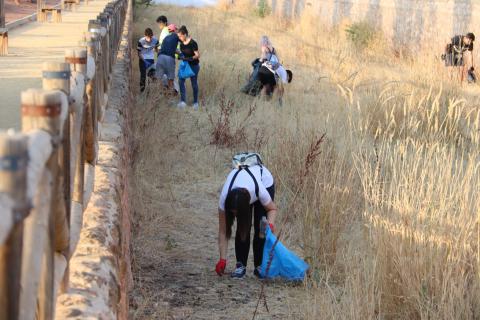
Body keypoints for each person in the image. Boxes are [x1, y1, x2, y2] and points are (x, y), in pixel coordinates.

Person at [216, 159, 277, 279]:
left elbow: (272, 209)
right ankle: (240, 266)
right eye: (233, 213)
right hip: (244, 193)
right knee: (243, 226)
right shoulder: (224, 199)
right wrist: (222, 259)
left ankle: (259, 266)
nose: (235, 215)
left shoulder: (258, 189)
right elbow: (223, 231)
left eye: (238, 213)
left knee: (261, 225)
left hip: (264, 182)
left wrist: (270, 225)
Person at [177, 25, 201, 110]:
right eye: (178, 36)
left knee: (194, 83)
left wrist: (189, 58)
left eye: (180, 36)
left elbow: (198, 55)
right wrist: (180, 56)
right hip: (185, 65)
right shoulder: (181, 44)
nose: (179, 38)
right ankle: (183, 101)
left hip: (194, 66)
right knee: (180, 80)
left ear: (184, 34)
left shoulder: (193, 43)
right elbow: (182, 53)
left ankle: (195, 103)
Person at [156, 24, 179, 94]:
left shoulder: (166, 38)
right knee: (170, 79)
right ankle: (170, 98)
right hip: (169, 58)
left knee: (159, 79)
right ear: (174, 30)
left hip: (160, 57)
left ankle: (158, 96)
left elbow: (163, 48)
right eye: (177, 29)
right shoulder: (176, 36)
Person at [137, 28, 159, 92]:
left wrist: (158, 53)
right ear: (145, 35)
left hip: (151, 60)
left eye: (150, 37)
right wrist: (144, 61)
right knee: (143, 76)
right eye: (148, 37)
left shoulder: (155, 40)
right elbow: (139, 53)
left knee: (151, 76)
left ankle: (149, 92)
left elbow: (156, 49)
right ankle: (142, 91)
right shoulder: (141, 41)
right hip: (143, 60)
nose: (149, 39)